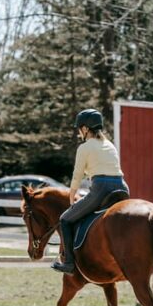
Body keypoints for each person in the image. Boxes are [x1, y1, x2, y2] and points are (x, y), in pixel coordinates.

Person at [52, 108, 129, 273]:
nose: (80, 132)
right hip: (122, 186)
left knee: (65, 219)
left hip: (101, 187)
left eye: (80, 128)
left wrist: (72, 196)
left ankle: (69, 263)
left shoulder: (85, 147)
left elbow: (77, 174)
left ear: (86, 129)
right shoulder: (109, 145)